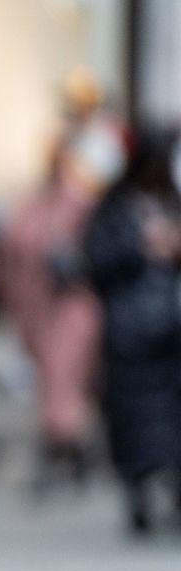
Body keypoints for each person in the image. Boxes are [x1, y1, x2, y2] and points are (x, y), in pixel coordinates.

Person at [83, 127, 181, 534]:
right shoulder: (114, 210)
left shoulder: (169, 205)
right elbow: (97, 264)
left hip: (171, 337)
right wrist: (142, 247)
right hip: (130, 338)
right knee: (135, 428)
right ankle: (138, 496)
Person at [0, 135, 102, 490]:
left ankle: (61, 451)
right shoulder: (32, 204)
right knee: (53, 381)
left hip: (70, 306)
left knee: (62, 379)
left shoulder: (79, 203)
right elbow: (10, 251)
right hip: (37, 308)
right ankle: (69, 452)